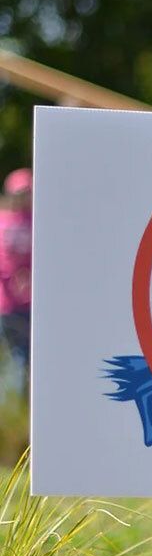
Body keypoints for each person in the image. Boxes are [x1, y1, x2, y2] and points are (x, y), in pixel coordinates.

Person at [0, 168, 33, 396]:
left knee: (23, 360)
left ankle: (20, 415)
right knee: (14, 362)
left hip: (28, 303)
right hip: (8, 303)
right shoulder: (5, 220)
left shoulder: (34, 219)